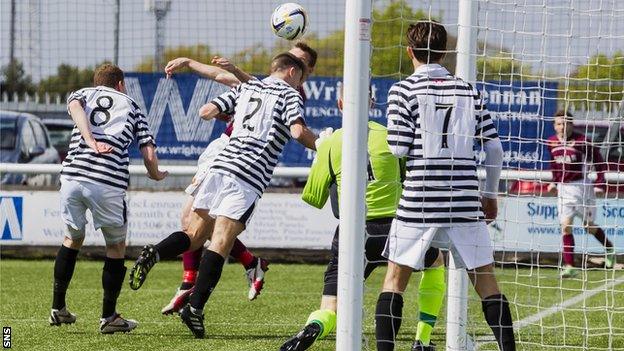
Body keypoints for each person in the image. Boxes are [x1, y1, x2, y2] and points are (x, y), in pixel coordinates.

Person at [130, 52, 319, 339]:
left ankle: (156, 251)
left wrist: (235, 116)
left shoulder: (247, 87)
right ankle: (195, 309)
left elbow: (207, 111)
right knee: (220, 240)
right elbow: (296, 131)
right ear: (293, 72)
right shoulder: (290, 95)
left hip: (218, 166)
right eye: (301, 78)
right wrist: (324, 144)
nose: (300, 84)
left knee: (194, 234)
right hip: (247, 175)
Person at [374, 21, 515, 351]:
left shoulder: (402, 90)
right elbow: (494, 148)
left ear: (409, 51)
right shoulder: (468, 90)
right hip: (465, 198)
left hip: (420, 198)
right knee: (487, 282)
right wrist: (489, 194)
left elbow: (396, 147)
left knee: (394, 280)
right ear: (444, 52)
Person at [280, 92, 446, 351]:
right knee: (433, 264)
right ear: (371, 102)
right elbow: (407, 177)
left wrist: (328, 158)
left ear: (340, 104)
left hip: (352, 232)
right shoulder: (391, 137)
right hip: (395, 228)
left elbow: (313, 197)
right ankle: (422, 339)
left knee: (332, 305)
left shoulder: (333, 142)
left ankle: (315, 326)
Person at [49, 63, 167, 333]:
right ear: (121, 85)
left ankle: (58, 309)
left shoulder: (83, 94)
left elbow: (76, 109)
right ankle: (109, 317)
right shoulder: (133, 106)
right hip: (107, 182)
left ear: (96, 82)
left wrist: (88, 139)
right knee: (115, 247)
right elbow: (148, 152)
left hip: (72, 178)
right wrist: (157, 174)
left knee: (72, 239)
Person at [546, 110, 615, 278]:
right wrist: (553, 183)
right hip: (564, 189)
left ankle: (610, 249)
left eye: (566, 123)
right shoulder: (551, 143)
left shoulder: (583, 141)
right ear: (555, 126)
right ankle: (570, 266)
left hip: (582, 187)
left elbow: (598, 162)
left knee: (588, 227)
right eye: (559, 123)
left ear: (571, 124)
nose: (562, 126)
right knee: (566, 226)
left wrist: (599, 183)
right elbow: (555, 166)